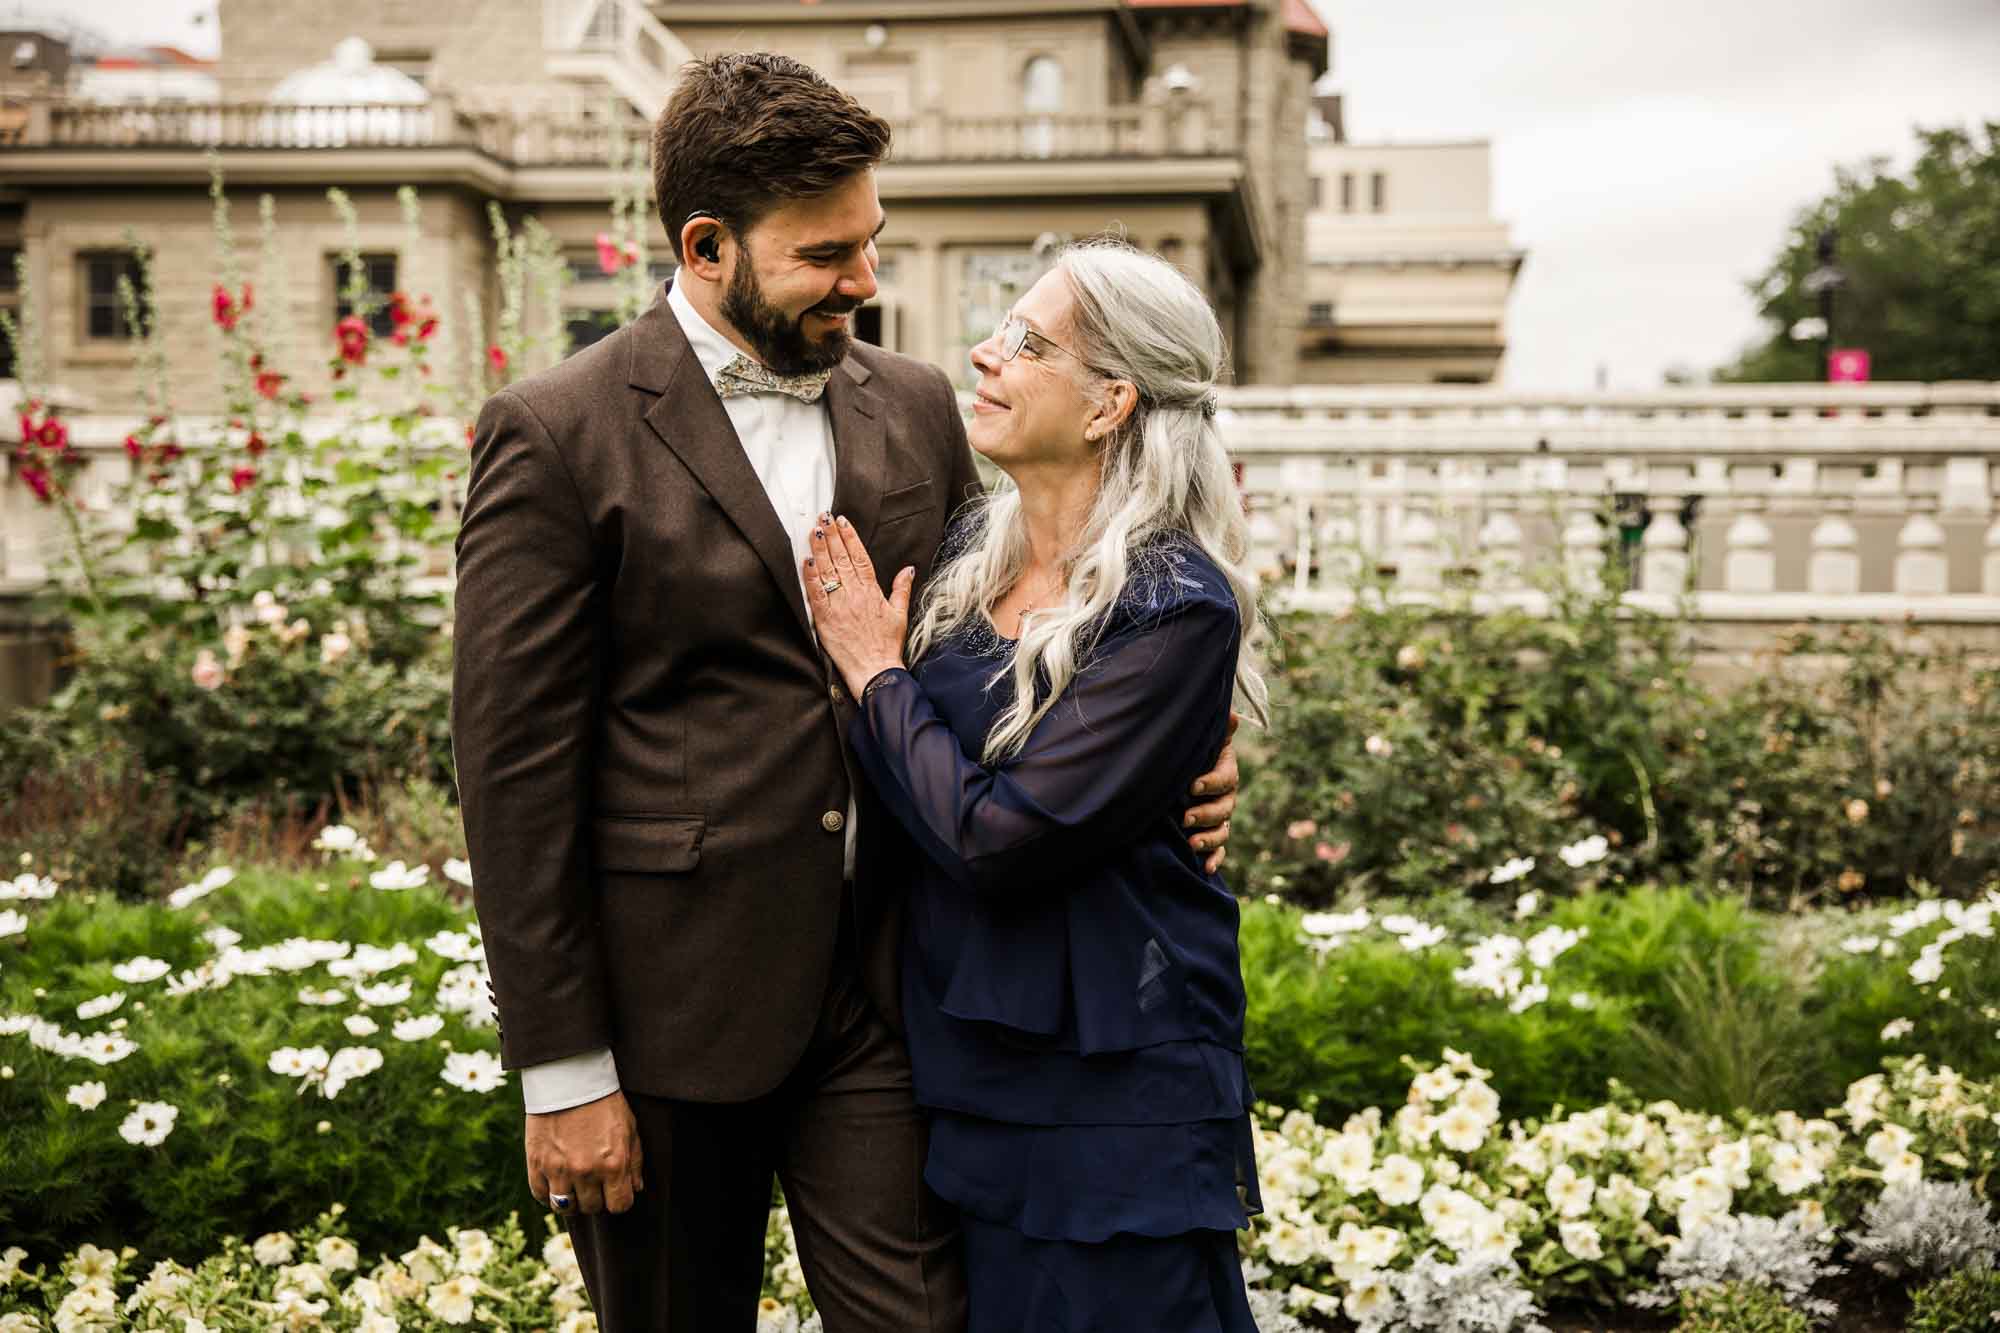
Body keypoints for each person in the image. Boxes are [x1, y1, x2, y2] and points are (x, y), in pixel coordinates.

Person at [450, 54, 1242, 1332]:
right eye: (829, 255)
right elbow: (510, 772)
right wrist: (561, 1069)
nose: (867, 282)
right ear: (708, 246)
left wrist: (1181, 758)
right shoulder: (556, 432)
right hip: (668, 1024)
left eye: (869, 242)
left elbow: (1049, 615)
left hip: (892, 1002)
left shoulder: (921, 408)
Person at [806, 236, 1269, 1333]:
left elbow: (997, 836)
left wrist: (875, 669)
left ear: (1109, 402)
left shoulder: (1174, 602)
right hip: (971, 1062)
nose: (983, 354)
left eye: (1024, 341)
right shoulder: (971, 553)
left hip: (1111, 1089)